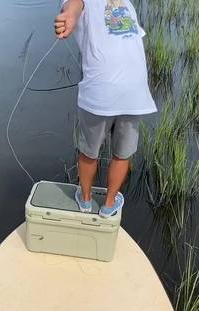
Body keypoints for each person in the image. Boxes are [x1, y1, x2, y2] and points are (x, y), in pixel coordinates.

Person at [55, 0, 157, 218]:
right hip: (130, 92)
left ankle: (86, 200)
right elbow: (74, 5)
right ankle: (109, 204)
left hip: (118, 92)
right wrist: (70, 17)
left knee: (91, 151)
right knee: (123, 153)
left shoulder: (126, 3)